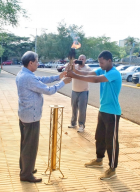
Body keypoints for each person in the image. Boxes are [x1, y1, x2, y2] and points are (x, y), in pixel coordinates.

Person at [16, 51, 71, 183]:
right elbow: (49, 90)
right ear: (31, 63)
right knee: (30, 146)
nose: (38, 63)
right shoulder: (28, 77)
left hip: (25, 114)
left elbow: (41, 80)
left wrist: (58, 77)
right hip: (31, 117)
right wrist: (63, 82)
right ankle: (26, 174)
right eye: (37, 61)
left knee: (25, 143)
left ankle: (25, 168)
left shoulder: (23, 73)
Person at [66, 50, 121, 180]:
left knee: (111, 141)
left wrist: (74, 75)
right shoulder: (103, 70)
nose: (100, 65)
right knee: (100, 137)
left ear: (109, 61)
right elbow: (85, 73)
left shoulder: (114, 73)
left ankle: (112, 169)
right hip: (103, 110)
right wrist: (74, 70)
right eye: (99, 62)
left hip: (112, 112)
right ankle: (99, 159)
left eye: (102, 62)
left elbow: (95, 80)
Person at [68, 54, 92, 132]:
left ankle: (81, 125)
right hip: (74, 90)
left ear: (85, 60)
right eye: (80, 59)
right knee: (74, 108)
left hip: (83, 91)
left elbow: (84, 74)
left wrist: (76, 70)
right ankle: (73, 123)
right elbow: (66, 70)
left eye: (82, 59)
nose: (81, 60)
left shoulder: (87, 68)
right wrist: (72, 63)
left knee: (82, 109)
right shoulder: (74, 66)